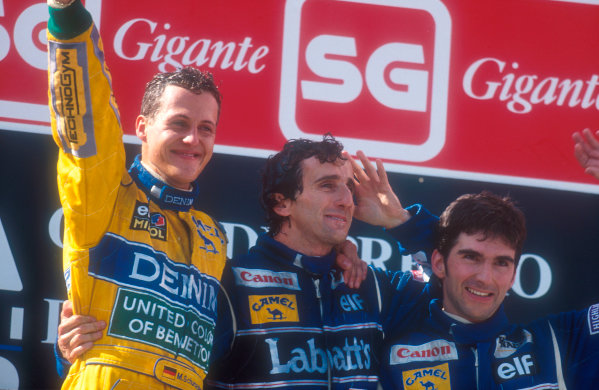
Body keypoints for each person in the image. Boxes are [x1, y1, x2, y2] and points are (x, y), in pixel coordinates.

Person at [47, 0, 228, 388]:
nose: (193, 140)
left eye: (206, 128)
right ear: (143, 127)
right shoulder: (106, 192)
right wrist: (67, 17)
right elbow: (86, 120)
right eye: (178, 123)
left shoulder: (213, 234)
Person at [203, 137, 436, 389]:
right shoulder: (232, 286)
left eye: (349, 186)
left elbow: (460, 285)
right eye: (327, 185)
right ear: (282, 203)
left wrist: (401, 221)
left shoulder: (373, 288)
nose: (347, 200)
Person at [379, 192, 599, 389]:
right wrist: (403, 224)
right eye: (471, 257)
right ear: (437, 263)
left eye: (501, 263)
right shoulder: (390, 337)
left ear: (513, 275)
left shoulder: (555, 343)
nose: (485, 278)